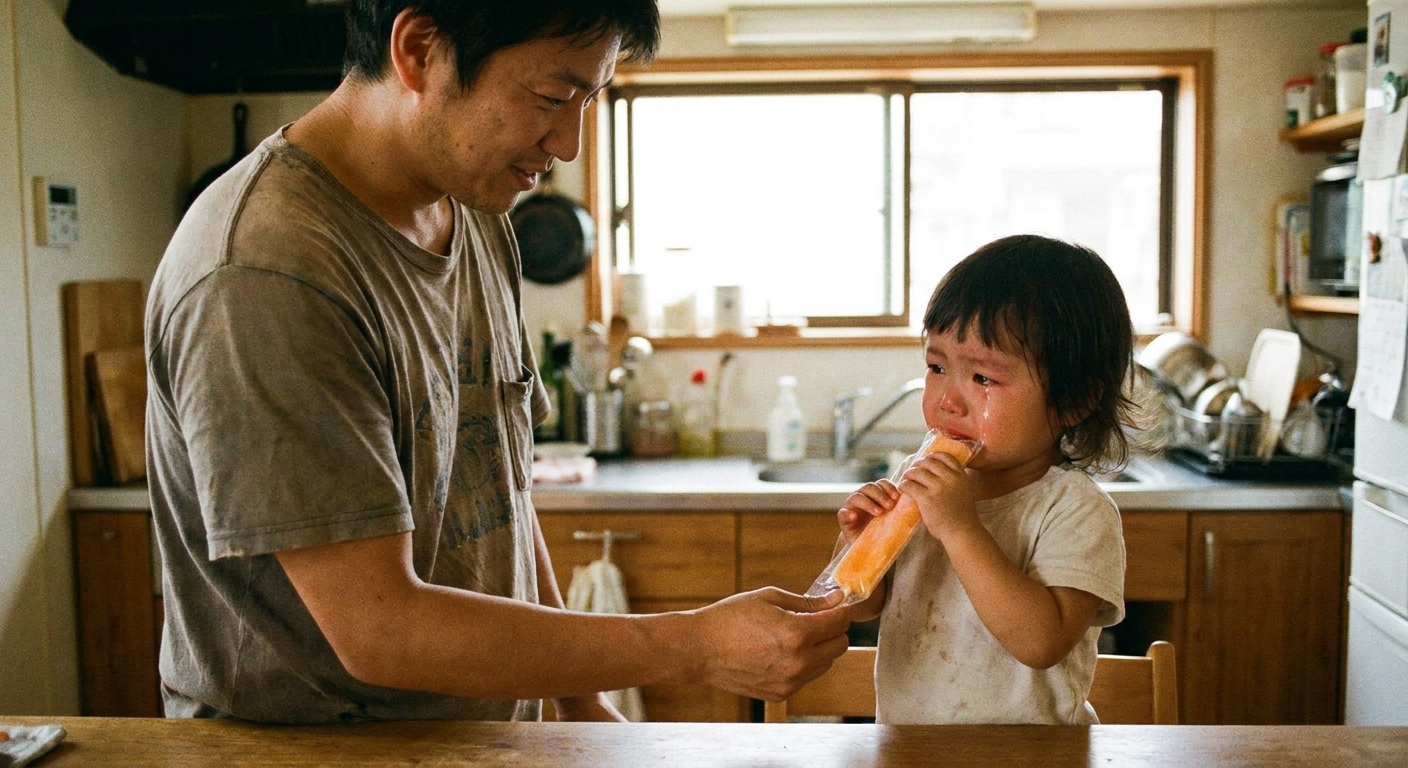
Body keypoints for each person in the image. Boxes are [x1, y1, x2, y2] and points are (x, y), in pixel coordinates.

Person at [145, 0, 849, 725]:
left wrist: (580, 702)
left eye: (589, 100)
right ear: (419, 50)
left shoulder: (473, 210)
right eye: (551, 97)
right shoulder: (267, 268)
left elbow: (498, 494)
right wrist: (692, 646)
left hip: (483, 737)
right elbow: (380, 630)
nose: (570, 145)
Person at [837, 234, 1134, 725]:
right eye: (936, 367)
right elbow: (858, 608)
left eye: (983, 379)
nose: (948, 400)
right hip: (914, 757)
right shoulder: (917, 481)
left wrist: (959, 528)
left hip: (1032, 762)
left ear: (1075, 401)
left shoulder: (1074, 510)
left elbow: (1042, 643)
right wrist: (855, 546)